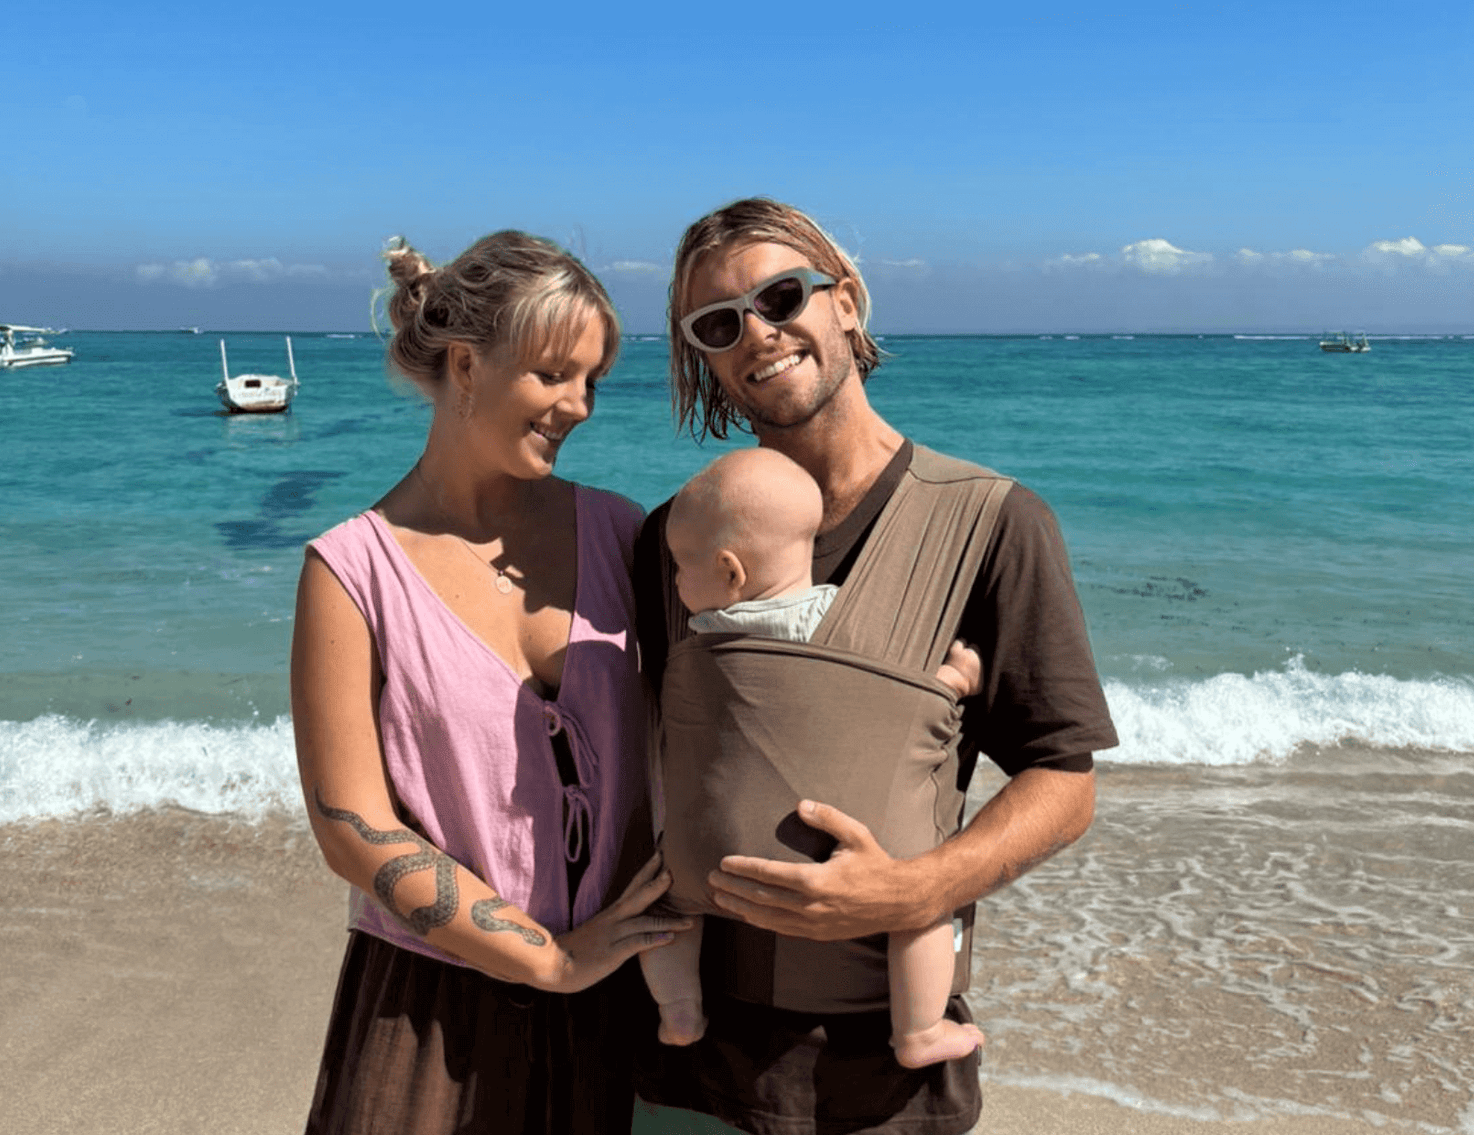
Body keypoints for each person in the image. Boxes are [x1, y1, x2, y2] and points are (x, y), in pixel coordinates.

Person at [631, 199, 1120, 1133]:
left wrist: (918, 890)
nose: (758, 335)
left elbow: (1065, 779)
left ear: (845, 303)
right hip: (688, 1057)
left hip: (881, 1078)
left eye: (782, 297)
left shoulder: (993, 524)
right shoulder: (678, 540)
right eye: (718, 324)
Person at [290, 231, 688, 1134]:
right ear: (466, 365)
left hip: (628, 989)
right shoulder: (351, 572)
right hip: (433, 1009)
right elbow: (351, 828)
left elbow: (731, 677)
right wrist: (547, 959)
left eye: (594, 380)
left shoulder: (624, 535)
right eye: (554, 374)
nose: (580, 405)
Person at [642, 446, 988, 1069]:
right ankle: (919, 1032)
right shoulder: (857, 630)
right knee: (922, 909)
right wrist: (955, 681)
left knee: (666, 906)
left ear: (730, 574)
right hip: (860, 857)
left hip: (707, 857)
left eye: (679, 567)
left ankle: (680, 1011)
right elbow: (904, 701)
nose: (673, 582)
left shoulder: (703, 634)